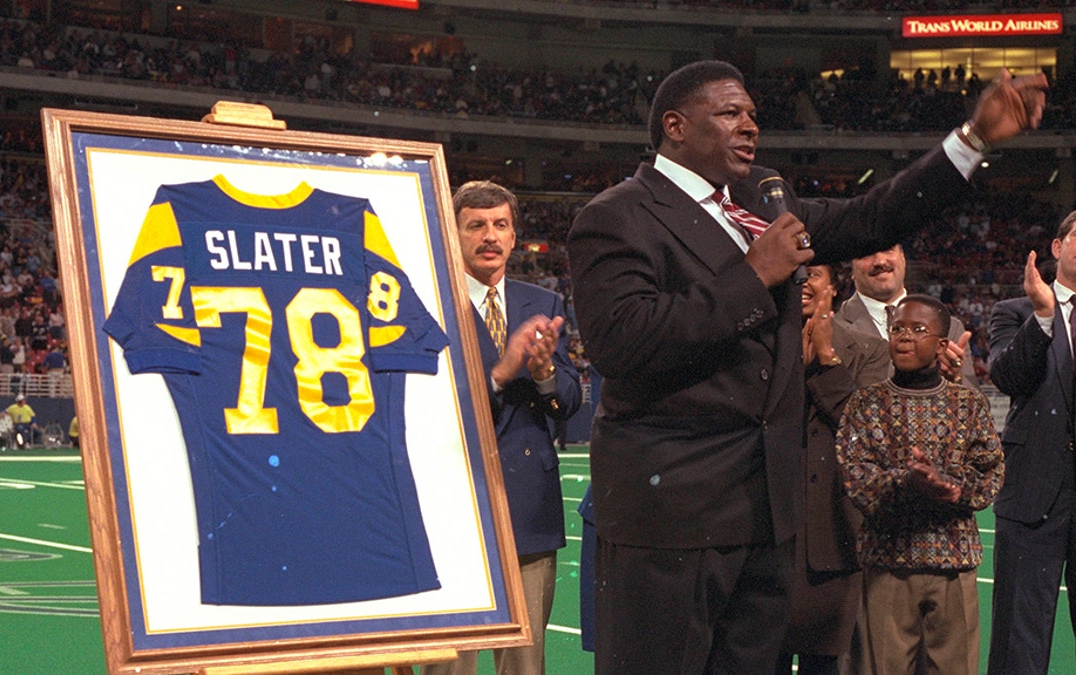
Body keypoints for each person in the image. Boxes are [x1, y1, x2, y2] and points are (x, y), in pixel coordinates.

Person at [566, 59, 1044, 673]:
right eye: (730, 113)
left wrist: (972, 139)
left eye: (753, 116)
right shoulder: (617, 214)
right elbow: (622, 344)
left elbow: (873, 217)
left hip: (768, 513)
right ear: (676, 126)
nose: (749, 126)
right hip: (672, 516)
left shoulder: (763, 201)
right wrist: (753, 275)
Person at [423, 180, 581, 675]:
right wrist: (500, 373)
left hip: (529, 504)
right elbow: (427, 405)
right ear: (453, 234)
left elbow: (569, 404)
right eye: (476, 225)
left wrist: (543, 375)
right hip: (454, 506)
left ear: (514, 236)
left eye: (500, 225)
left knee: (525, 665)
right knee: (448, 665)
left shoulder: (544, 303)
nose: (489, 236)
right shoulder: (429, 300)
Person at [836, 294, 1003, 675]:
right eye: (897, 328)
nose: (904, 337)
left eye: (918, 329)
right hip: (887, 566)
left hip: (954, 567)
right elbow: (856, 478)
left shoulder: (968, 404)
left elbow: (991, 472)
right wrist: (908, 482)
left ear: (943, 344)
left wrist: (953, 487)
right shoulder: (865, 403)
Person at [777, 263, 888, 674]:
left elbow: (870, 435)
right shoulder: (753, 345)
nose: (804, 281)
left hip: (833, 538)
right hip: (764, 533)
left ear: (835, 286)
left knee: (824, 666)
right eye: (795, 272)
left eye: (815, 273)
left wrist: (827, 362)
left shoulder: (868, 349)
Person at [985, 213, 1076, 674]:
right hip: (1032, 493)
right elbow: (1006, 377)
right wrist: (1043, 316)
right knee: (1018, 638)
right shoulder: (1016, 311)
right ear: (1057, 248)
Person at [838, 244, 977, 387]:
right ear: (851, 269)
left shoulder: (950, 327)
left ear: (903, 258)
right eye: (866, 253)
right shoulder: (834, 329)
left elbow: (978, 406)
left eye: (888, 249)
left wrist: (955, 379)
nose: (880, 261)